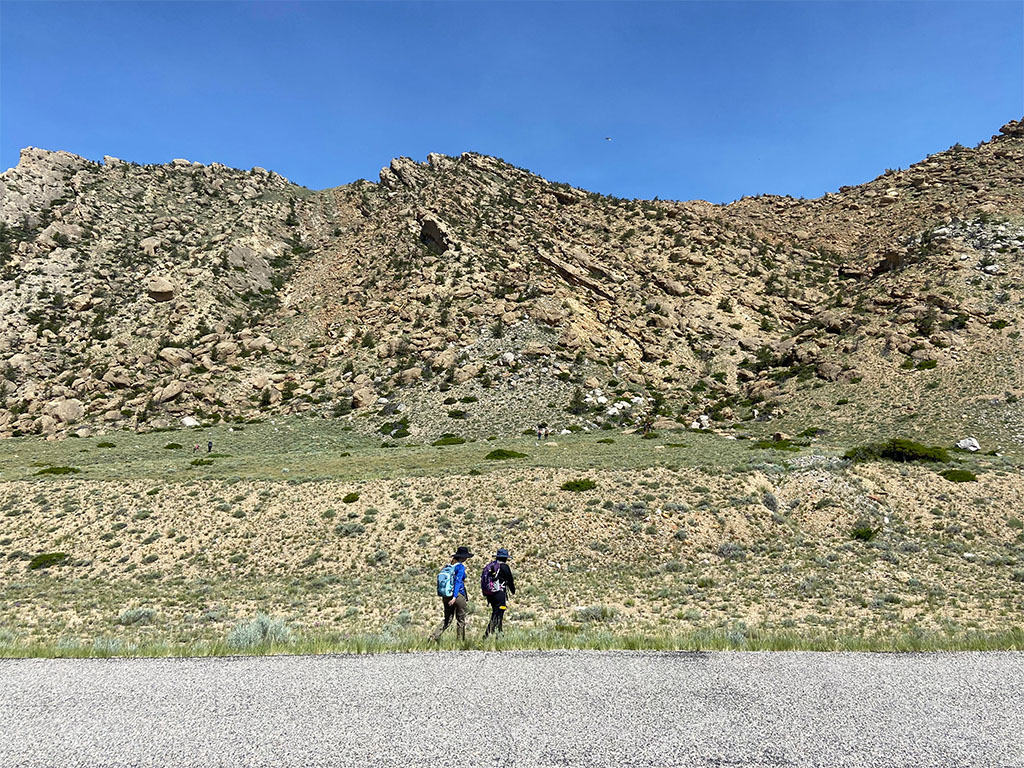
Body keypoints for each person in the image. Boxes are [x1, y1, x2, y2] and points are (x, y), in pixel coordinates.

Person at [430, 546, 473, 642]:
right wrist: (454, 596)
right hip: (458, 596)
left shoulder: (448, 567)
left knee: (447, 619)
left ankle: (433, 638)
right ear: (462, 557)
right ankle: (460, 642)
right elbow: (458, 582)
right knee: (461, 619)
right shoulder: (460, 567)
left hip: (446, 595)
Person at [482, 547, 516, 638]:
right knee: (498, 613)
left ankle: (498, 634)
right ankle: (488, 635)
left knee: (496, 612)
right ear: (505, 558)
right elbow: (510, 580)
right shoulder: (504, 567)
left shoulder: (492, 566)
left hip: (491, 595)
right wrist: (513, 591)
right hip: (500, 594)